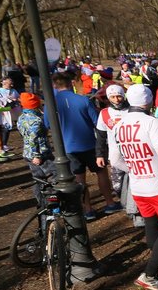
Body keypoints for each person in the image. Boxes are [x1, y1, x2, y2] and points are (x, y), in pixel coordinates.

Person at [108, 85, 158, 290]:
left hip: (139, 186)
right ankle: (150, 274)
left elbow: (114, 160)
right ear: (149, 101)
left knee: (152, 225)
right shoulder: (152, 122)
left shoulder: (118, 125)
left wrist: (134, 169)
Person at [50, 72, 121, 220]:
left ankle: (88, 209)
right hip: (90, 144)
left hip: (68, 147)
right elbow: (97, 122)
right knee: (101, 173)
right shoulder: (83, 100)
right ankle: (110, 202)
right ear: (71, 83)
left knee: (79, 179)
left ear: (55, 86)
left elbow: (47, 124)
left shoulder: (52, 104)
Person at [96, 84, 143, 227]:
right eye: (113, 97)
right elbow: (101, 137)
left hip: (133, 154)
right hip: (115, 156)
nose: (116, 100)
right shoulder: (104, 113)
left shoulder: (132, 110)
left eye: (119, 96)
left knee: (136, 184)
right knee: (118, 186)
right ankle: (127, 205)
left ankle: (137, 212)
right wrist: (99, 155)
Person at [16, 92, 55, 204]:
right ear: (36, 105)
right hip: (41, 154)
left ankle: (42, 203)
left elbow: (25, 136)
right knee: (54, 175)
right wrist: (36, 155)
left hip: (27, 153)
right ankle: (53, 202)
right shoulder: (36, 121)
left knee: (38, 178)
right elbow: (32, 139)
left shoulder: (21, 118)